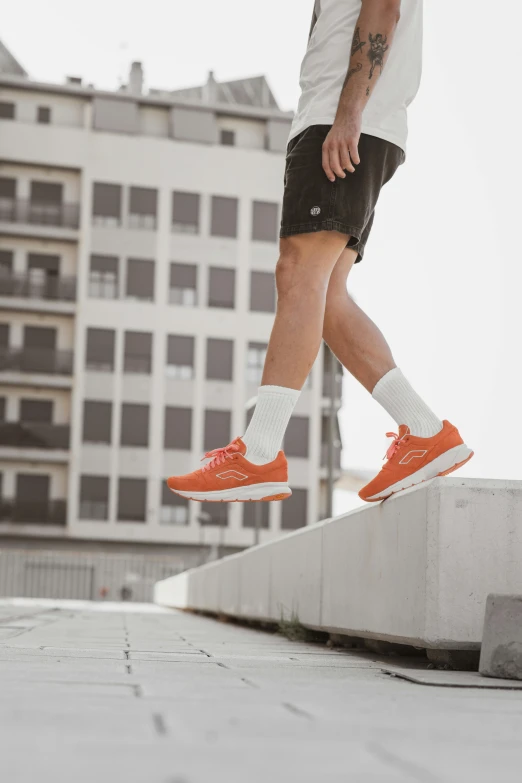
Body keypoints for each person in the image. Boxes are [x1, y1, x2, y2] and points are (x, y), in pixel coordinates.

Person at [167, 0, 473, 505]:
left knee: (297, 274)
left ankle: (260, 453)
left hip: (344, 120)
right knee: (325, 296)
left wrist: (348, 114)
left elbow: (383, 8)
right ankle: (423, 431)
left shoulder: (348, 114)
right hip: (348, 120)